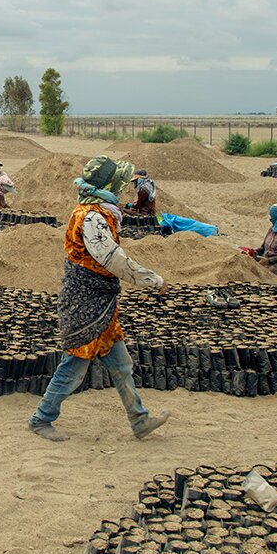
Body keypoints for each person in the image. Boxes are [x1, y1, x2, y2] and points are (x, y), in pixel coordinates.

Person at [28, 156, 170, 443]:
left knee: (121, 364)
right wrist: (150, 280)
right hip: (85, 303)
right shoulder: (92, 217)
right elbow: (111, 258)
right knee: (75, 365)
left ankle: (139, 420)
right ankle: (41, 419)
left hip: (100, 302)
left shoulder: (100, 212)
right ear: (109, 185)